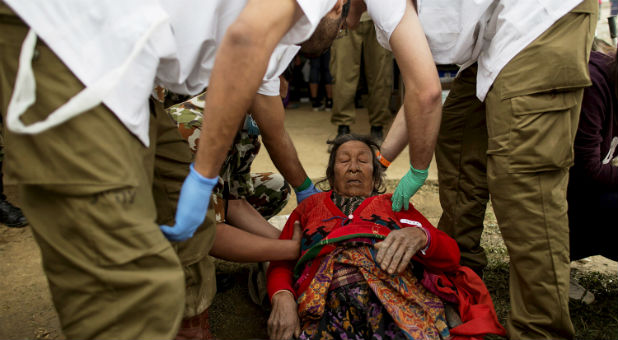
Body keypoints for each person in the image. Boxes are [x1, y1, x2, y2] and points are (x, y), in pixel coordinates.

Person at [0, 0, 354, 338]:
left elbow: (228, 203)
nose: (342, 32)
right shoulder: (202, 120)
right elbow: (247, 42)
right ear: (337, 6)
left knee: (194, 219)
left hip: (124, 61)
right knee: (117, 273)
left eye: (364, 160)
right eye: (342, 25)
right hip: (70, 45)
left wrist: (287, 235)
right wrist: (289, 254)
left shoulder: (247, 111)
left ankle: (190, 325)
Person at [378, 0, 598, 338]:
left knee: (523, 178)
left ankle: (539, 329)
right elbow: (426, 88)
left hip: (543, 17)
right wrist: (380, 161)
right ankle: (457, 263)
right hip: (496, 32)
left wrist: (416, 169)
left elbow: (425, 90)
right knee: (458, 128)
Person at [266, 134, 505, 340]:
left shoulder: (395, 205)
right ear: (331, 176)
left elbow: (450, 256)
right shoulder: (310, 208)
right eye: (344, 160)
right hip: (326, 299)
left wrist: (421, 236)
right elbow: (280, 261)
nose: (354, 167)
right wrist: (282, 296)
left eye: (363, 160)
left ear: (377, 178)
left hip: (398, 298)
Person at [568, 49, 618, 263]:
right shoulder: (594, 84)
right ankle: (551, 261)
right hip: (554, 206)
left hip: (586, 194)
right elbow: (587, 169)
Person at [329, 12, 393, 143]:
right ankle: (343, 126)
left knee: (380, 75)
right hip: (345, 12)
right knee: (342, 74)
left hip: (380, 15)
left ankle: (378, 127)